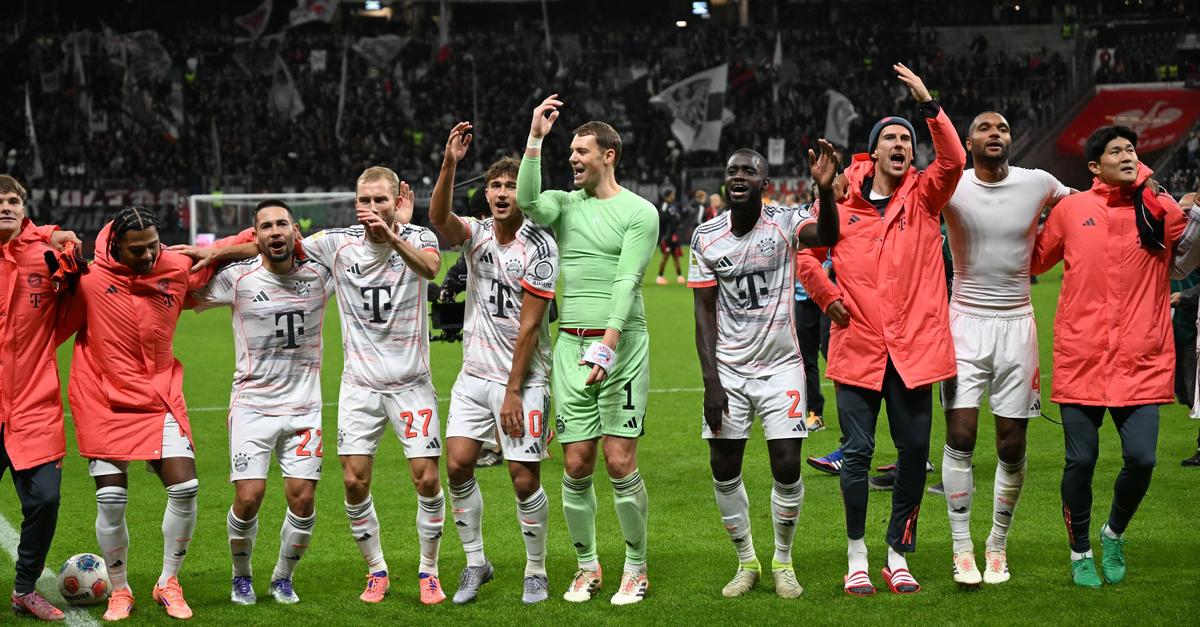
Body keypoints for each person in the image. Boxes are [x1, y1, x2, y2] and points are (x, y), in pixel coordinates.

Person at [795, 64, 966, 596]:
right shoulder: (842, 209)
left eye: (906, 138)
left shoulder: (926, 197)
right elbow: (806, 257)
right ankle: (856, 557)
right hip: (860, 347)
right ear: (874, 151)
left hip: (915, 349)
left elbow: (956, 159)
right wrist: (828, 296)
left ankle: (898, 552)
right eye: (890, 137)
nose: (900, 143)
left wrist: (927, 105)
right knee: (859, 451)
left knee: (914, 451)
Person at [61, 206, 253, 620]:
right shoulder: (89, 281)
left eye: (153, 247)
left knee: (185, 488)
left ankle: (168, 581)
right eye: (138, 251)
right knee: (111, 499)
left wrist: (224, 251)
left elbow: (242, 243)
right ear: (115, 246)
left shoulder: (175, 265)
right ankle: (119, 589)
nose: (148, 257)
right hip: (102, 397)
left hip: (159, 394)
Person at [517, 95, 659, 605]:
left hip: (621, 346)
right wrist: (535, 137)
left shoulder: (639, 211)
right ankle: (587, 567)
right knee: (576, 463)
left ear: (609, 155)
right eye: (570, 150)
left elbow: (627, 279)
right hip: (569, 347)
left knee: (620, 462)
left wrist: (609, 342)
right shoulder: (564, 204)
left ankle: (637, 568)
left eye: (582, 151)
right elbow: (527, 201)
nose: (572, 158)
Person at [1031, 125, 1185, 588]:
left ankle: (1113, 533)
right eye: (1115, 150)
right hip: (1083, 357)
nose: (1127, 154)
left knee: (1142, 460)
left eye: (1131, 149)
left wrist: (1151, 187)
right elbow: (1037, 260)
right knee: (1081, 462)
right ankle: (1080, 550)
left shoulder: (1157, 208)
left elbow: (1180, 229)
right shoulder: (1073, 210)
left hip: (1141, 358)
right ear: (1094, 166)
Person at [690, 141, 839, 598]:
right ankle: (746, 561)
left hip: (781, 368)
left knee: (788, 464)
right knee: (723, 466)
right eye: (733, 170)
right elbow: (703, 312)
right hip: (729, 372)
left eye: (749, 172)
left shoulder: (785, 222)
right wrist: (711, 382)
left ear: (764, 185)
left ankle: (783, 560)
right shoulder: (706, 237)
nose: (739, 176)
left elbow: (828, 233)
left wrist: (825, 188)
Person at [298, 167, 445, 604]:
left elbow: (432, 270)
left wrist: (395, 234)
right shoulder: (336, 244)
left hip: (411, 385)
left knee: (426, 480)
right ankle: (376, 569)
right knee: (354, 482)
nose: (371, 209)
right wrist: (210, 254)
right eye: (364, 201)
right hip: (359, 387)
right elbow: (278, 245)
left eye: (380, 200)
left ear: (398, 199)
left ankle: (429, 571)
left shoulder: (419, 238)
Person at [427, 123, 559, 605]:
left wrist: (512, 391)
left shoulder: (541, 248)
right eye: (496, 186)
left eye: (510, 186)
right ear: (486, 194)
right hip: (473, 377)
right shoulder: (477, 234)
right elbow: (439, 217)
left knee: (524, 478)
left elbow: (529, 328)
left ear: (523, 193)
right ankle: (476, 562)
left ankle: (537, 570)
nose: (502, 193)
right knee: (458, 465)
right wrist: (449, 164)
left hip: (524, 381)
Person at [938, 111, 1072, 587]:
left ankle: (997, 544)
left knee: (1012, 444)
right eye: (985, 129)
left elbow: (1086, 208)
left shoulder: (1039, 182)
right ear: (969, 141)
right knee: (962, 436)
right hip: (964, 322)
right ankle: (961, 548)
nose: (996, 134)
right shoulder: (951, 185)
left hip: (1018, 324)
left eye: (1003, 129)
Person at [189, 200, 333, 606]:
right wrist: (214, 255)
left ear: (295, 232)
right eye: (266, 226)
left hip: (305, 408)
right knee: (248, 497)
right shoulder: (238, 278)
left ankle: (283, 578)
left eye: (282, 224)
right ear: (254, 237)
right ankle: (241, 577)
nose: (275, 231)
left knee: (303, 499)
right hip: (252, 406)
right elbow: (186, 295)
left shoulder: (322, 275)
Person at [0, 175, 84, 621]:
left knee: (46, 500)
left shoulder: (48, 253)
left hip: (33, 401)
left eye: (13, 200)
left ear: (24, 206)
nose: (5, 207)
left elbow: (74, 310)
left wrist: (64, 261)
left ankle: (25, 589)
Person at [655, 189, 685, 285]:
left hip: (673, 236)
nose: (674, 196)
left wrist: (677, 220)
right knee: (665, 257)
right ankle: (659, 277)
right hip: (666, 237)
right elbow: (661, 217)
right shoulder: (665, 205)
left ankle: (680, 276)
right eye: (672, 194)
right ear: (668, 196)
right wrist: (672, 218)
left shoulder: (673, 206)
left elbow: (676, 218)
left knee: (676, 256)